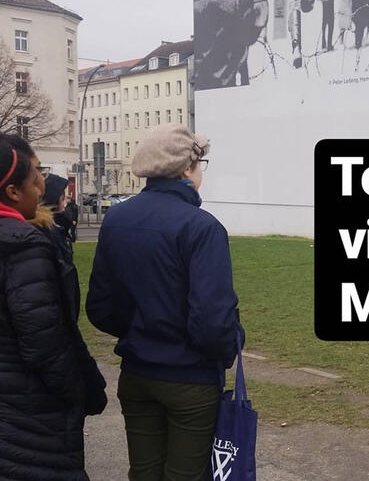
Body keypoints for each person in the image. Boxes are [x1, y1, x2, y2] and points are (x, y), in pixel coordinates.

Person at [86, 124, 244, 480]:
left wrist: (141, 328)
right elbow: (213, 320)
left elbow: (100, 306)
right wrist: (223, 350)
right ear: (187, 169)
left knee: (143, 473)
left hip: (137, 373)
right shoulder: (202, 227)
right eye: (200, 164)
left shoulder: (116, 219)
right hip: (189, 378)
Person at [0, 135, 106, 481]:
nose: (42, 185)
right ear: (13, 192)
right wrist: (78, 391)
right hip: (29, 415)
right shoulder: (24, 246)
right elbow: (46, 345)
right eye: (35, 178)